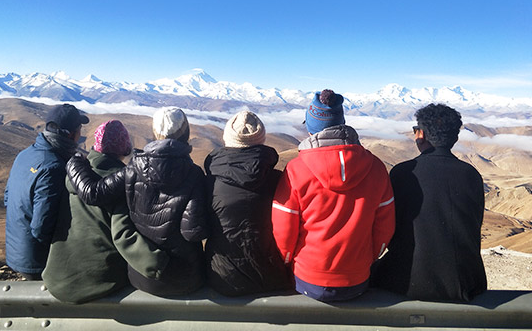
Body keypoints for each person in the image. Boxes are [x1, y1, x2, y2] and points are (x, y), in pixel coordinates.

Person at [66, 107, 209, 296]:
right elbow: (193, 233)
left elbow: (93, 193)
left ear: (156, 133)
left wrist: (74, 163)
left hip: (141, 278)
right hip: (186, 278)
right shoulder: (194, 174)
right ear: (186, 132)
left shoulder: (134, 168)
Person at [272, 89, 395, 303]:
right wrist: (367, 260)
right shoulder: (376, 167)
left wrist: (287, 262)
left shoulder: (295, 170)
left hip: (307, 279)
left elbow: (284, 232)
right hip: (358, 279)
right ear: (342, 123)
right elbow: (385, 228)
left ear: (311, 129)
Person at [42, 120, 169, 303]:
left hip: (56, 277)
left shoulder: (74, 174)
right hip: (96, 281)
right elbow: (123, 236)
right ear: (124, 148)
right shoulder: (120, 185)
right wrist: (158, 264)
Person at [371, 103, 487, 302]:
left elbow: (388, 228)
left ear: (421, 135)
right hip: (467, 283)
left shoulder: (402, 173)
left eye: (416, 129)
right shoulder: (471, 175)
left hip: (404, 280)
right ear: (455, 138)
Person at [204, 111, 293, 296]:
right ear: (261, 140)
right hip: (272, 276)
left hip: (223, 277)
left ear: (227, 138)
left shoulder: (208, 183)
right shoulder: (281, 181)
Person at [4, 103, 89, 280]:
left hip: (17, 250)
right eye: (79, 129)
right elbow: (41, 227)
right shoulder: (54, 167)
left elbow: (7, 198)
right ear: (70, 134)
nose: (81, 135)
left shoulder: (25, 154)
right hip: (38, 260)